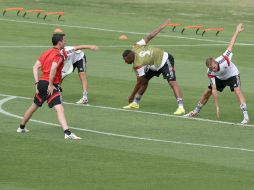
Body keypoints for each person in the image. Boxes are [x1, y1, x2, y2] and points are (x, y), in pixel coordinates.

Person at [17, 33, 81, 139]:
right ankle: (67, 133)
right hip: (48, 84)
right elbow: (53, 68)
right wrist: (51, 85)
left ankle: (21, 127)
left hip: (42, 83)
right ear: (59, 42)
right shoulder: (59, 55)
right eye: (64, 40)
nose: (66, 42)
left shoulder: (46, 53)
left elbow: (35, 67)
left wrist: (37, 83)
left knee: (34, 106)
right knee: (59, 108)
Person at [185, 23, 249, 124]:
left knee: (237, 90)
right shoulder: (210, 72)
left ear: (215, 62)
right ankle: (195, 112)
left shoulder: (225, 58)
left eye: (213, 67)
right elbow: (214, 90)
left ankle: (246, 116)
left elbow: (231, 44)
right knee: (207, 92)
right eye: (211, 68)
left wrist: (237, 31)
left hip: (232, 74)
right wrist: (217, 107)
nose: (213, 69)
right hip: (220, 78)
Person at [122, 20, 185, 115]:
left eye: (126, 60)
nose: (125, 62)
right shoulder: (136, 46)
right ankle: (136, 103)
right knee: (144, 81)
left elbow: (138, 83)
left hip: (164, 60)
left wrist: (131, 95)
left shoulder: (138, 63)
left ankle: (181, 107)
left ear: (130, 57)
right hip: (152, 65)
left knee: (172, 82)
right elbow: (149, 36)